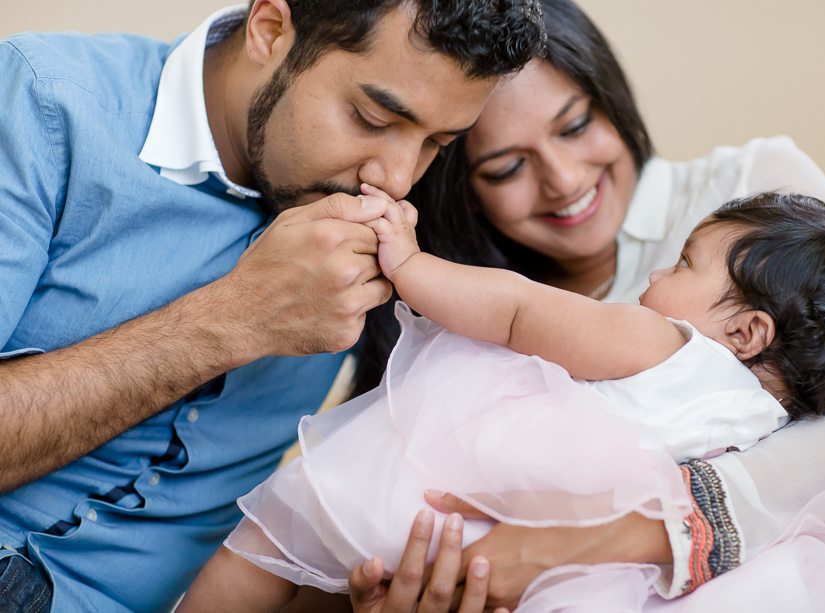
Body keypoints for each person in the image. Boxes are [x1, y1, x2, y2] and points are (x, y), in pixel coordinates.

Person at [345, 0, 825, 609]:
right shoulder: (462, 308)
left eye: (574, 125)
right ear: (463, 191)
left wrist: (605, 538)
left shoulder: (755, 197)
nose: (563, 179)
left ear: (610, 97)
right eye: (507, 167)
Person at [0, 0, 545, 610]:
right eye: (371, 118)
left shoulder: (402, 229)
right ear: (269, 30)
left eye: (436, 144)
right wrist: (232, 319)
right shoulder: (41, 103)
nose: (394, 178)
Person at [178, 189, 825, 612]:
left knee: (277, 532)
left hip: (469, 492)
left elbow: (517, 312)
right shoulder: (767, 429)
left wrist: (410, 264)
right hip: (586, 583)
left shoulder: (666, 342)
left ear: (746, 330)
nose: (659, 270)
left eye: (685, 262)